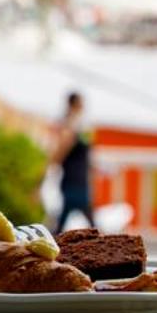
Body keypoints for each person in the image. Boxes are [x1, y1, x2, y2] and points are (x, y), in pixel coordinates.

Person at [51, 91, 94, 233]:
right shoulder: (71, 124)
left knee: (67, 216)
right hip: (73, 177)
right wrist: (51, 166)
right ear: (74, 105)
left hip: (79, 177)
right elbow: (63, 147)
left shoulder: (79, 125)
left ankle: (55, 238)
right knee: (82, 212)